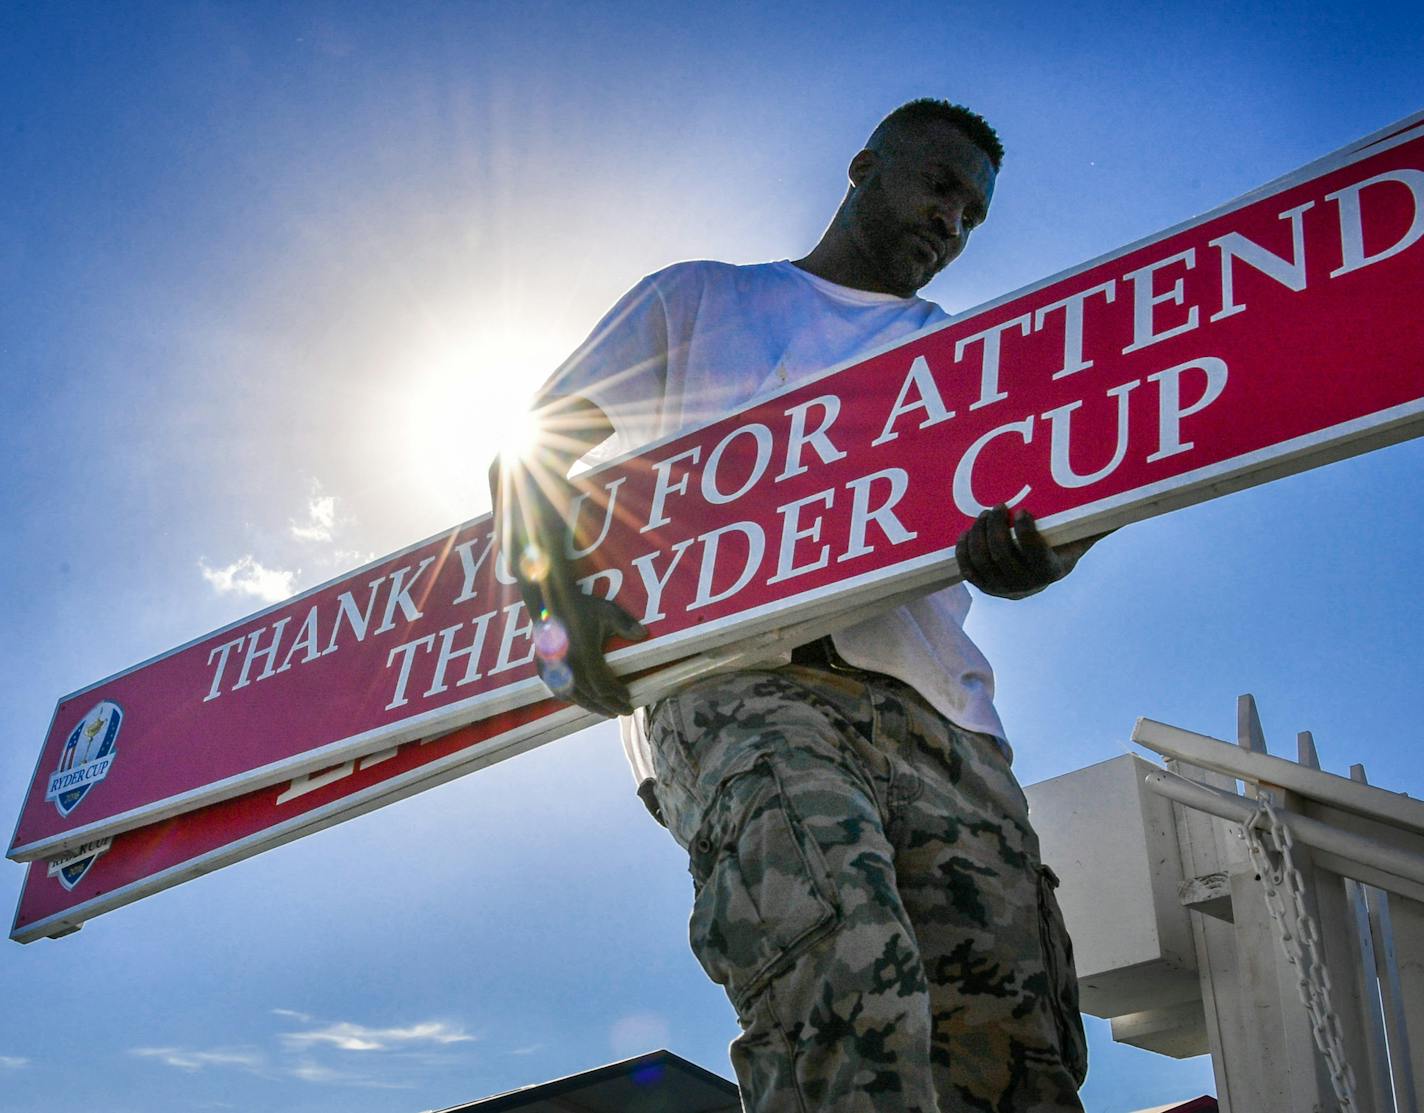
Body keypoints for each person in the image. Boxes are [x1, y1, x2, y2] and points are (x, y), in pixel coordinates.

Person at [493, 99, 1095, 1112]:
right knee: (843, 988)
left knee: (1011, 1051)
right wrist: (557, 602)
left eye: (973, 217)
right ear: (864, 166)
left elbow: (1110, 459)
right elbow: (530, 451)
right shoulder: (698, 301)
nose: (951, 223)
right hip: (737, 687)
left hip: (942, 721)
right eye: (938, 189)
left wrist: (1046, 553)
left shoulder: (970, 352)